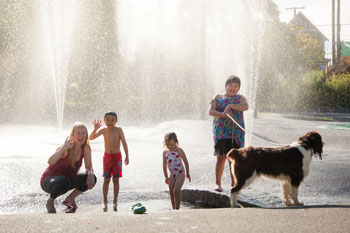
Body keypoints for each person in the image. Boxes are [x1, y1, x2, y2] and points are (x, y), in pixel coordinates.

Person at [40, 122, 96, 213]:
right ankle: (50, 201)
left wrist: (90, 174)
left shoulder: (85, 148)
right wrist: (64, 148)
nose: (81, 135)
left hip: (67, 180)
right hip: (49, 181)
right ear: (73, 134)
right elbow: (50, 161)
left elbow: (89, 166)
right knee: (63, 181)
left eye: (83, 133)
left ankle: (70, 199)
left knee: (91, 178)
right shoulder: (66, 147)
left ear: (86, 134)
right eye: (78, 133)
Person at [209, 75, 248, 192]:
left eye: (236, 86)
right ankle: (218, 184)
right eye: (231, 85)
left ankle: (234, 183)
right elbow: (210, 111)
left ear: (239, 88)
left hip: (236, 133)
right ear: (226, 86)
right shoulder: (217, 96)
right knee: (221, 157)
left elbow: (246, 107)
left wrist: (231, 106)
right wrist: (222, 114)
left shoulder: (240, 98)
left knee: (235, 159)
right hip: (221, 132)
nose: (233, 88)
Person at [89, 111, 129, 212]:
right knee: (106, 180)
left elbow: (124, 143)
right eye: (108, 120)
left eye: (112, 120)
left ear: (116, 121)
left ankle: (115, 201)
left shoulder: (119, 130)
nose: (110, 122)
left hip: (117, 158)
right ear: (104, 121)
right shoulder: (103, 130)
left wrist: (127, 156)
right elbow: (91, 138)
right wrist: (95, 129)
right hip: (107, 158)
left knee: (116, 180)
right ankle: (105, 201)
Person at [162, 132, 191, 210]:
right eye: (168, 145)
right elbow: (164, 165)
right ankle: (173, 208)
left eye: (172, 145)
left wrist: (187, 173)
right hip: (172, 174)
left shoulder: (179, 150)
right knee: (171, 191)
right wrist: (166, 176)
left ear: (176, 142)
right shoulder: (165, 152)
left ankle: (177, 209)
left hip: (180, 173)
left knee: (176, 191)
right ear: (165, 144)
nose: (170, 147)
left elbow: (185, 161)